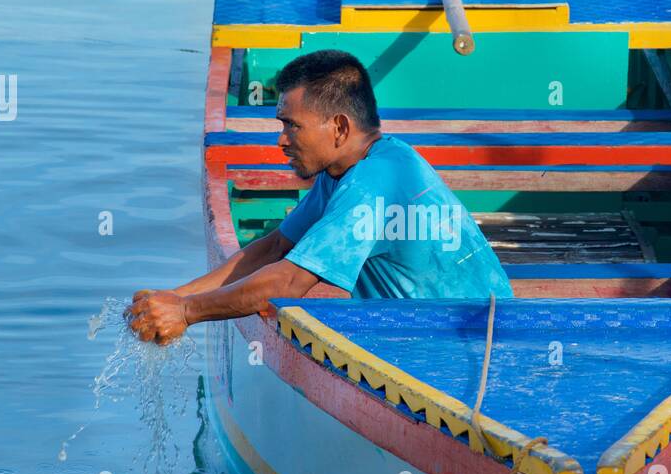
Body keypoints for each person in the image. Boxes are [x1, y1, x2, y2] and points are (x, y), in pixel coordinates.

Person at [126, 49, 512, 345]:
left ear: (340, 127)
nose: (281, 140)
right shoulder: (345, 169)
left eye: (292, 126)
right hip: (436, 334)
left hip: (476, 344)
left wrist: (186, 312)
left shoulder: (372, 183)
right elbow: (274, 248)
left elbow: (289, 281)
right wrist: (173, 297)